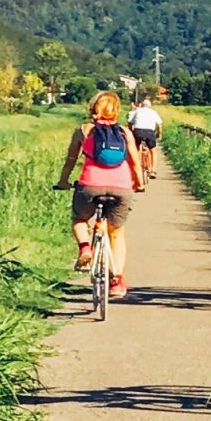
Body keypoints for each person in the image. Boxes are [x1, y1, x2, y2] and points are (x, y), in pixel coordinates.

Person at [55, 91, 148, 297]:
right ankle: (116, 280)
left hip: (90, 185)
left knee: (79, 219)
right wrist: (140, 184)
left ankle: (85, 248)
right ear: (116, 111)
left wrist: (63, 181)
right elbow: (134, 161)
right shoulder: (125, 132)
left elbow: (70, 160)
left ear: (93, 108)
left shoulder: (84, 130)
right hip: (121, 188)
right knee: (116, 233)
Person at [129, 94, 164, 172]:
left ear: (142, 105)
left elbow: (130, 122)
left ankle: (137, 166)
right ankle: (153, 170)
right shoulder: (153, 112)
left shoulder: (137, 111)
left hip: (138, 131)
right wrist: (159, 134)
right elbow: (159, 124)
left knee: (137, 148)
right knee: (153, 151)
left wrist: (131, 131)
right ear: (150, 106)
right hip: (149, 132)